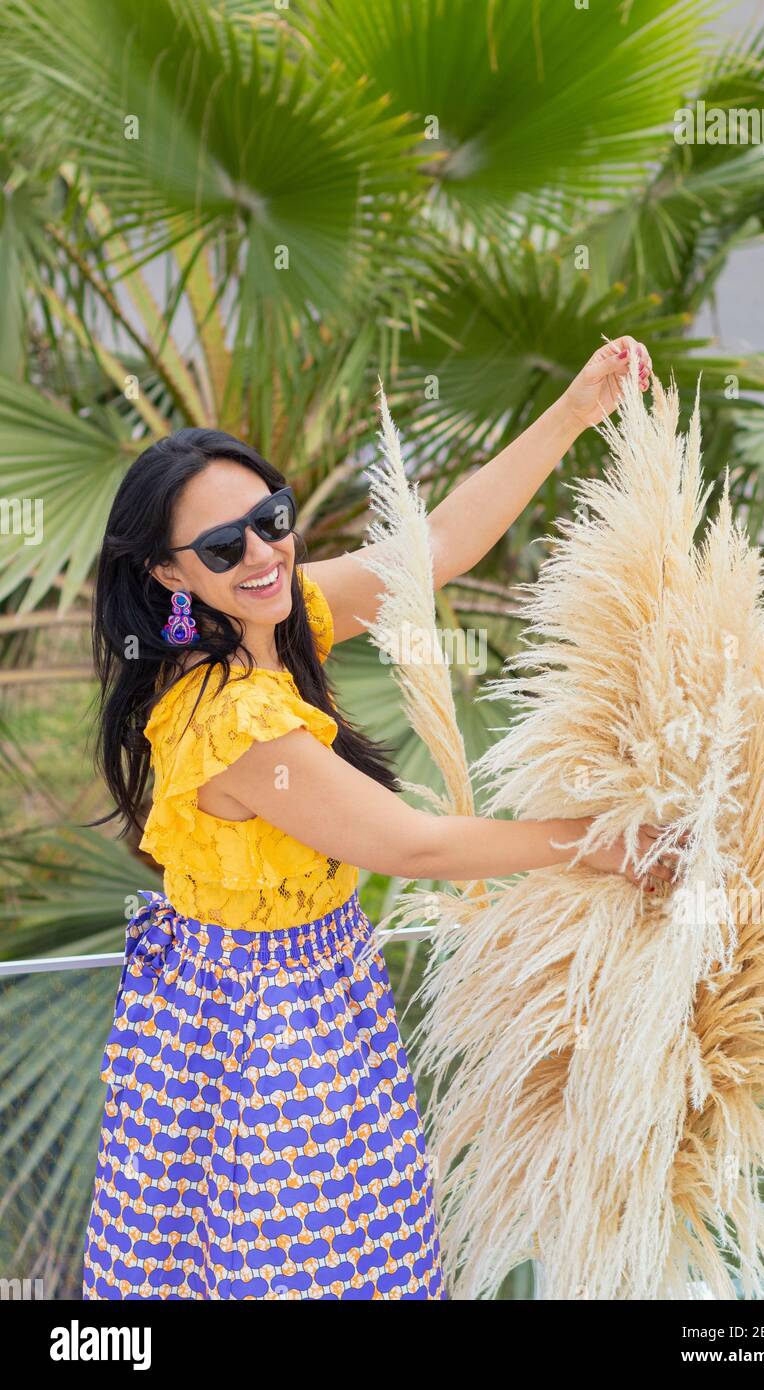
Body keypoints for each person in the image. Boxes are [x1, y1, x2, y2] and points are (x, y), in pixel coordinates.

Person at [81, 337, 676, 1300]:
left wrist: (573, 412)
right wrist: (602, 845)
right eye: (224, 548)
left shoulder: (274, 621)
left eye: (270, 520)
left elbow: (431, 550)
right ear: (168, 576)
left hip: (292, 989)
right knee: (310, 1272)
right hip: (265, 1029)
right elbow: (413, 843)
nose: (264, 554)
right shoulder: (232, 718)